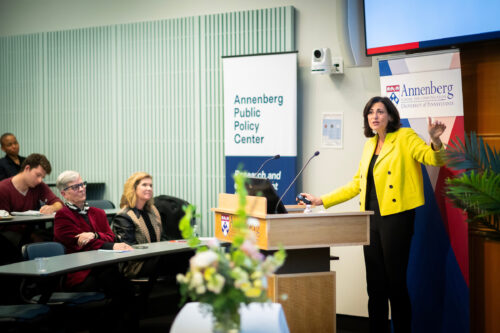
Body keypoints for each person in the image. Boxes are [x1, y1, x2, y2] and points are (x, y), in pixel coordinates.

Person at [298, 96, 446, 333]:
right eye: (370, 112)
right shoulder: (369, 145)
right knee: (375, 285)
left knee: (395, 284)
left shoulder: (405, 137)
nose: (375, 116)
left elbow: (431, 158)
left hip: (396, 217)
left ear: (390, 116)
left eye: (380, 111)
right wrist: (321, 200)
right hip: (370, 218)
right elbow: (357, 183)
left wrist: (435, 141)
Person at [53, 170, 138, 331]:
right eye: (75, 187)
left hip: (102, 266)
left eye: (82, 184)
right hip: (80, 271)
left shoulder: (97, 213)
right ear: (64, 193)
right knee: (121, 288)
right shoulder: (62, 216)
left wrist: (95, 234)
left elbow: (110, 236)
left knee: (124, 289)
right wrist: (109, 244)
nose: (81, 189)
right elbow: (81, 244)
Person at [112, 172, 167, 278]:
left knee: (184, 256)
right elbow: (129, 250)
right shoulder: (124, 216)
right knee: (176, 260)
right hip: (135, 265)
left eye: (151, 185)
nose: (149, 188)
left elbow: (161, 238)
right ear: (133, 188)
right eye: (144, 185)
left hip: (154, 257)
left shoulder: (153, 211)